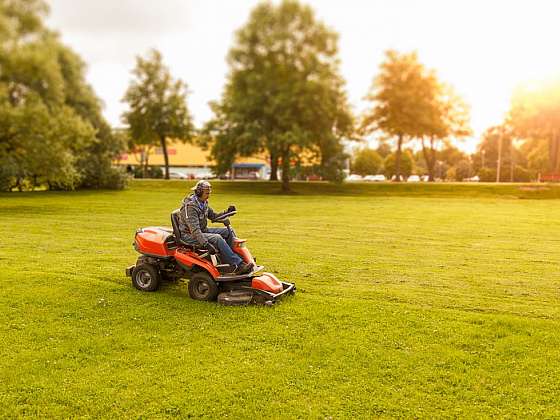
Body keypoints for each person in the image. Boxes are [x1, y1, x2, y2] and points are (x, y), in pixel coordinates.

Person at [177, 180, 254, 275]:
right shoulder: (191, 207)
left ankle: (236, 259)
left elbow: (213, 216)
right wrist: (206, 244)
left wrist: (227, 212)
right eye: (207, 193)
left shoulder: (203, 202)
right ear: (199, 192)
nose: (209, 195)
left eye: (209, 193)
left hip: (202, 230)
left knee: (228, 231)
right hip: (189, 235)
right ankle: (238, 265)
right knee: (217, 238)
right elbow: (195, 230)